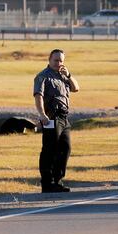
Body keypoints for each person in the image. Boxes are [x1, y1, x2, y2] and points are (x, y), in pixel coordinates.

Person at [34, 49, 79, 193]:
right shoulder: (42, 77)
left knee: (65, 149)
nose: (58, 63)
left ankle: (58, 181)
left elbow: (76, 88)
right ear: (49, 59)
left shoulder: (62, 75)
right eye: (56, 60)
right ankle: (47, 183)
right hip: (51, 117)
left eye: (61, 61)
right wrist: (42, 114)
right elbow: (38, 96)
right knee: (50, 150)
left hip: (64, 117)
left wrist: (69, 75)